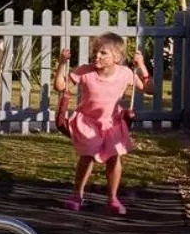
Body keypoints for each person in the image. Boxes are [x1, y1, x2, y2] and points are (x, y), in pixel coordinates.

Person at [54, 33, 152, 215]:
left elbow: (149, 89)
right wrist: (61, 63)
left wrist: (141, 66)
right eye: (95, 52)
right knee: (88, 155)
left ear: (117, 57)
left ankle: (113, 198)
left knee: (115, 158)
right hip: (88, 122)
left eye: (103, 53)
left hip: (112, 123)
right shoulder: (85, 71)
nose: (96, 56)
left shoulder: (125, 73)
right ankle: (77, 194)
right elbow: (60, 86)